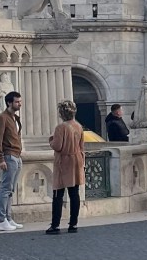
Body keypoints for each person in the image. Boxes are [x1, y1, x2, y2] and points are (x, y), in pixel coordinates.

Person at [45, 100, 85, 235]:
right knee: (74, 193)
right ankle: (73, 224)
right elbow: (82, 146)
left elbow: (58, 146)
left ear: (61, 113)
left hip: (63, 162)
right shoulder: (78, 126)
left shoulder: (61, 127)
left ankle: (55, 225)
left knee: (58, 194)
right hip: (76, 160)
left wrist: (51, 140)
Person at [0, 90, 24, 231]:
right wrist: (0, 158)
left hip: (17, 156)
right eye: (17, 102)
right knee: (5, 189)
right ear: (9, 103)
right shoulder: (2, 118)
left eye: (20, 101)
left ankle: (8, 218)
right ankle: (0, 219)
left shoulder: (15, 118)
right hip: (9, 156)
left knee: (11, 190)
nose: (20, 104)